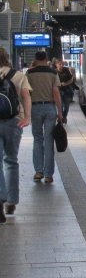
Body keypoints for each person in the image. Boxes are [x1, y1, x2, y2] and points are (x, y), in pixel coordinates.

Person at [0, 48, 32, 221]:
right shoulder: (18, 75)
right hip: (14, 122)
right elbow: (26, 95)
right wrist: (27, 117)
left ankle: (0, 197)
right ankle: (11, 201)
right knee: (11, 161)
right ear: (7, 59)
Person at [26, 51, 63, 185]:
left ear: (35, 59)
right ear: (46, 58)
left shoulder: (29, 73)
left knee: (37, 139)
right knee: (48, 141)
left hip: (35, 108)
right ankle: (48, 175)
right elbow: (56, 92)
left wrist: (26, 113)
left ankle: (38, 172)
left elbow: (26, 93)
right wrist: (60, 112)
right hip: (49, 108)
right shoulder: (53, 73)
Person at [54, 58, 75, 124]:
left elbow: (71, 79)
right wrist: (58, 84)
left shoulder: (66, 70)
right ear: (56, 64)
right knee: (60, 105)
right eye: (59, 64)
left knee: (66, 106)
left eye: (62, 64)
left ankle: (64, 116)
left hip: (67, 90)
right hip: (58, 91)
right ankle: (61, 118)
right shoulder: (54, 72)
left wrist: (65, 83)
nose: (61, 65)